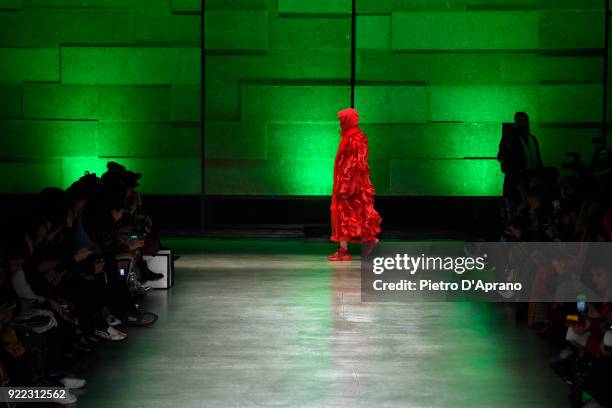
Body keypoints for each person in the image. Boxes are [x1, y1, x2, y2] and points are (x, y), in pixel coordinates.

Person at [328, 108, 382, 261]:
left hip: (353, 185)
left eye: (342, 120)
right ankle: (345, 249)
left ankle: (365, 243)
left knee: (352, 213)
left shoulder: (355, 138)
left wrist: (345, 185)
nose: (340, 123)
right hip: (351, 184)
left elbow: (354, 164)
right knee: (348, 215)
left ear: (348, 120)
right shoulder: (350, 136)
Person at [497, 112, 543, 207]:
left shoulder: (532, 138)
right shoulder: (510, 139)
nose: (524, 123)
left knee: (528, 204)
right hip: (518, 178)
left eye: (525, 121)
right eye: (520, 121)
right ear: (516, 122)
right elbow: (501, 157)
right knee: (519, 203)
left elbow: (538, 158)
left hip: (531, 177)